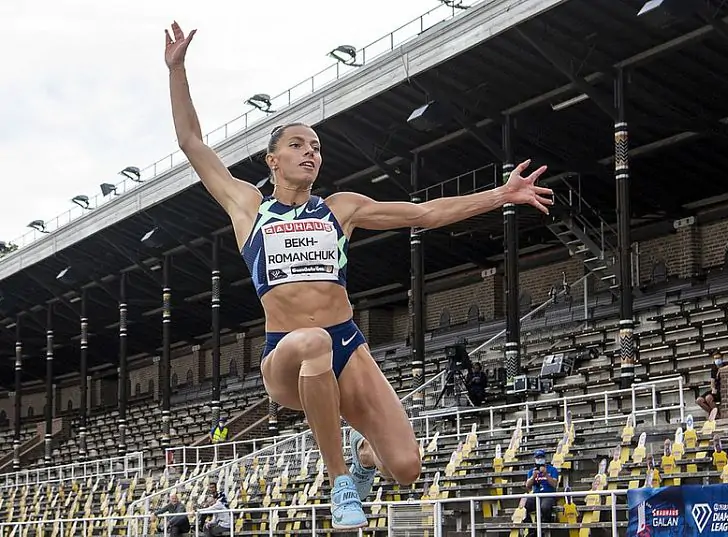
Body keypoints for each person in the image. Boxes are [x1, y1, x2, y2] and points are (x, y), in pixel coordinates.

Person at [163, 21, 553, 529]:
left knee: (407, 468)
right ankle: (339, 478)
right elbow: (192, 141)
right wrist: (177, 70)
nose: (310, 153)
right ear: (272, 159)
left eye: (317, 147)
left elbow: (425, 213)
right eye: (299, 145)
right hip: (287, 352)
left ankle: (364, 460)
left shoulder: (341, 209)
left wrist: (500, 195)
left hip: (347, 345)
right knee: (311, 343)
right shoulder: (248, 208)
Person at [523, 449, 560, 533]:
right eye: (538, 457)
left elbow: (554, 484)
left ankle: (544, 527)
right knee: (525, 507)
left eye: (541, 457)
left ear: (544, 458)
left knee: (545, 507)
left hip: (548, 495)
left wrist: (546, 475)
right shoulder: (531, 471)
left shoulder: (552, 470)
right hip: (536, 495)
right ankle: (531, 529)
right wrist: (533, 476)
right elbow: (528, 486)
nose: (539, 459)